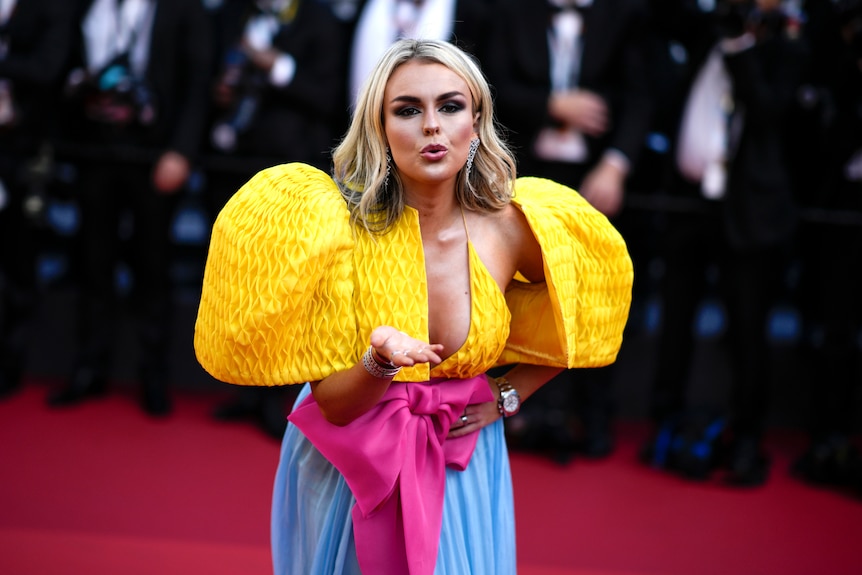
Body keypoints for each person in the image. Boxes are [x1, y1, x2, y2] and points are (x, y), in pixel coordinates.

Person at [194, 39, 633, 575]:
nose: (432, 126)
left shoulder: (516, 226)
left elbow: (588, 306)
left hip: (462, 460)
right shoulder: (338, 230)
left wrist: (508, 394)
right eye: (407, 110)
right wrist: (380, 362)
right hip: (351, 467)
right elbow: (335, 406)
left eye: (450, 106)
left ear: (476, 121)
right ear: (379, 128)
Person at [639, 0, 807, 486]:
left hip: (749, 212)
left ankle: (747, 437)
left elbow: (770, 110)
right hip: (688, 202)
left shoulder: (786, 46)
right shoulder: (703, 30)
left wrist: (742, 44)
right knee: (674, 321)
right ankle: (665, 423)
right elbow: (659, 20)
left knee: (747, 327)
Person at [483, 0, 654, 462]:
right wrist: (550, 105)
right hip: (521, 172)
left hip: (596, 178)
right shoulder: (511, 13)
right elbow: (486, 85)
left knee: (593, 295)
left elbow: (641, 95)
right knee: (516, 295)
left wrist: (616, 165)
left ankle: (593, 416)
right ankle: (514, 412)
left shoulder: (624, 16)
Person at [46, 0, 213, 416]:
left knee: (152, 266)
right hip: (93, 152)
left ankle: (153, 376)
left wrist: (181, 151)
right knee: (92, 262)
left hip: (155, 158)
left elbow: (198, 83)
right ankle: (88, 368)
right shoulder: (85, 7)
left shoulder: (182, 10)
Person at [204, 0, 347, 439]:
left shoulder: (323, 21)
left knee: (287, 287)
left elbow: (328, 97)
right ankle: (246, 387)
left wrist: (276, 66)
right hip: (233, 165)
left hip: (291, 174)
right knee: (242, 282)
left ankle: (275, 395)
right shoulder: (233, 13)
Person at [0, 0, 77, 398]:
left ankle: (10, 363)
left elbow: (49, 68)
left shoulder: (49, 8)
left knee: (17, 263)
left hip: (22, 152)